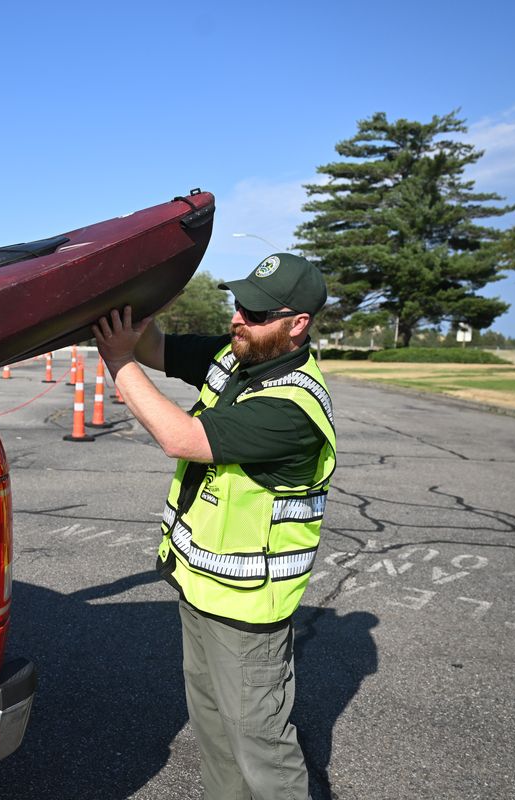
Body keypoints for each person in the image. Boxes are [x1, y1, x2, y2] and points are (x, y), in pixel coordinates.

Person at [92, 253, 335, 800]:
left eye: (255, 311)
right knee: (216, 736)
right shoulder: (235, 357)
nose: (238, 318)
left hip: (248, 610)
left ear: (297, 323)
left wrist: (117, 362)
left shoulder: (292, 406)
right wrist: (144, 296)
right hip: (201, 587)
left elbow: (182, 438)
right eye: (238, 304)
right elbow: (155, 348)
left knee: (262, 751)